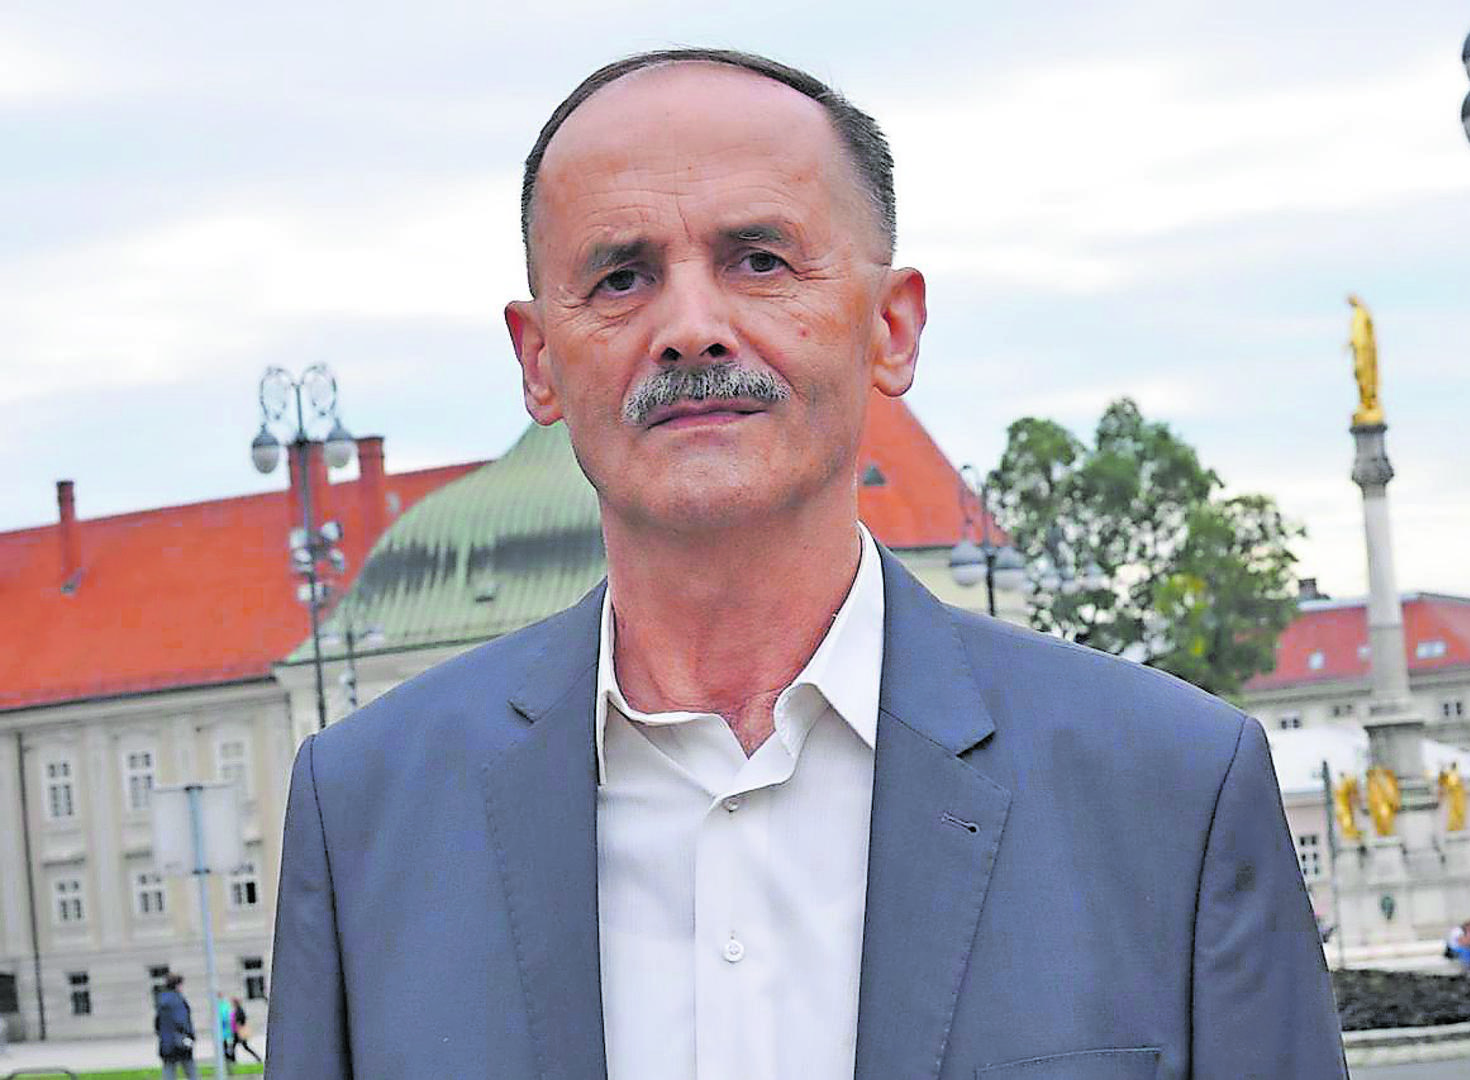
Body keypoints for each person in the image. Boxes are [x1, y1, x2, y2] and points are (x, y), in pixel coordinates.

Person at [268, 48, 1348, 1078]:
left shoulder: (1169, 790)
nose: (691, 328)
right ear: (538, 360)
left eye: (760, 262)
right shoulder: (367, 816)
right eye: (620, 277)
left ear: (891, 328)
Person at [153, 972, 198, 1080]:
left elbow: (157, 1023)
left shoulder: (161, 1000)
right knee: (190, 1070)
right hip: (181, 1040)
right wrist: (190, 1036)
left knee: (169, 1070)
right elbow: (182, 1021)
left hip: (166, 1043)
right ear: (177, 985)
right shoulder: (177, 1000)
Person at [230, 997, 262, 1066]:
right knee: (234, 1046)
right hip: (236, 1031)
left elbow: (242, 1019)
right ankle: (233, 1060)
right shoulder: (237, 1010)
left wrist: (238, 1024)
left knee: (244, 1047)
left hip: (239, 1031)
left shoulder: (239, 1010)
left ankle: (257, 1058)